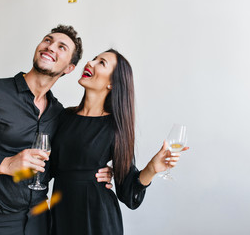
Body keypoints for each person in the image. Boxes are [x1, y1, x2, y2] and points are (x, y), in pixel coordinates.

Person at [0, 25, 112, 235]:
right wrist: (4, 164)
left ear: (69, 68)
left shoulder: (59, 114)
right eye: (47, 40)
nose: (50, 47)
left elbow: (58, 165)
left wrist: (99, 172)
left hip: (40, 221)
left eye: (61, 47)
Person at [49, 49, 189, 235]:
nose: (90, 63)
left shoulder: (115, 127)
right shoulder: (63, 116)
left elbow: (128, 193)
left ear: (112, 84)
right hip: (61, 213)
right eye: (93, 59)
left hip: (97, 219)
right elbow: (47, 166)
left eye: (101, 63)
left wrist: (152, 168)